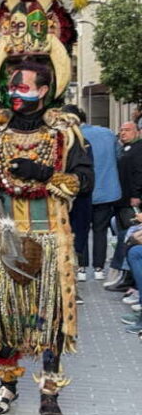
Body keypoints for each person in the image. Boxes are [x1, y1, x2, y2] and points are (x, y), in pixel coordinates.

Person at [0, 0, 93, 415]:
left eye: (25, 85)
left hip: (50, 238)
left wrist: (46, 174)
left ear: (45, 89)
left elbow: (83, 181)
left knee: (49, 317)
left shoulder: (65, 132)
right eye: (12, 83)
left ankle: (49, 392)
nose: (16, 90)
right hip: (6, 237)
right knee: (6, 315)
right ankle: (6, 384)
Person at [70, 107, 120, 280]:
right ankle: (99, 269)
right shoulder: (107, 133)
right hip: (107, 190)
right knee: (100, 230)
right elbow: (118, 157)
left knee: (80, 229)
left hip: (82, 191)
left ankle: (82, 268)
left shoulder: (71, 137)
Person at [107, 121, 142, 290]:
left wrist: (136, 195)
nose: (122, 133)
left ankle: (129, 280)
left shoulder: (139, 149)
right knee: (122, 235)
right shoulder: (124, 149)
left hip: (131, 201)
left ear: (137, 132)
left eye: (127, 130)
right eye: (121, 130)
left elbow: (139, 173)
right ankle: (126, 278)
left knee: (129, 238)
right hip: (121, 200)